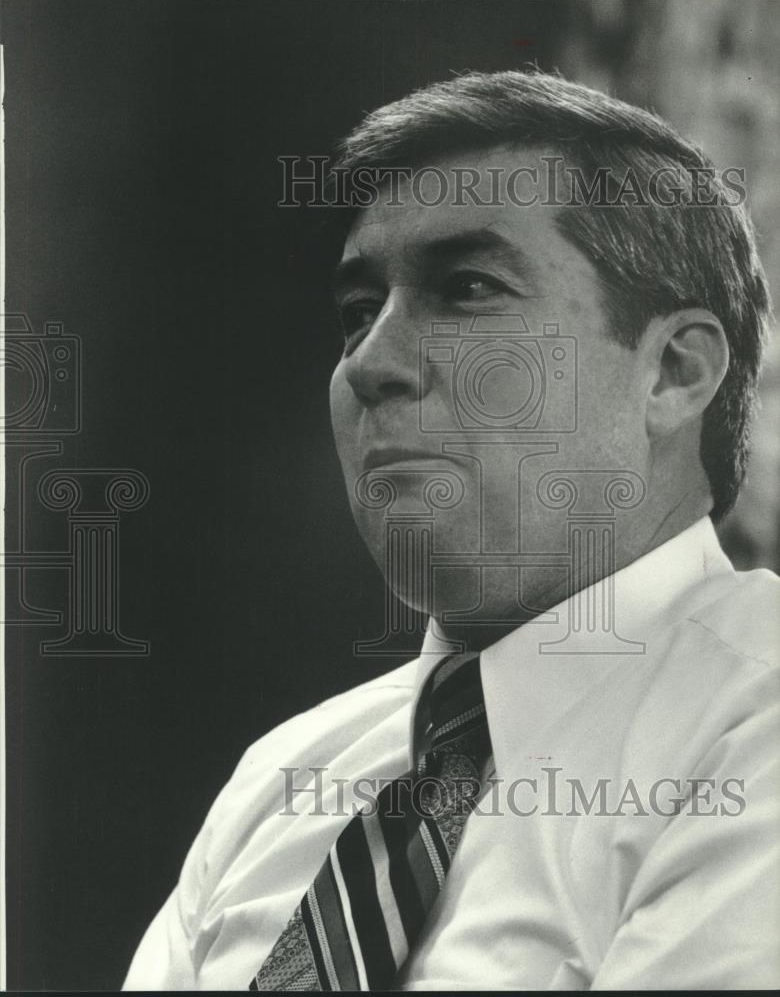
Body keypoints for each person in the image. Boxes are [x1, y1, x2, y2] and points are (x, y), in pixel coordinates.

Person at [124, 70, 780, 990]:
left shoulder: (757, 727)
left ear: (673, 372)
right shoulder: (280, 781)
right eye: (358, 315)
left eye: (468, 288)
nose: (372, 363)